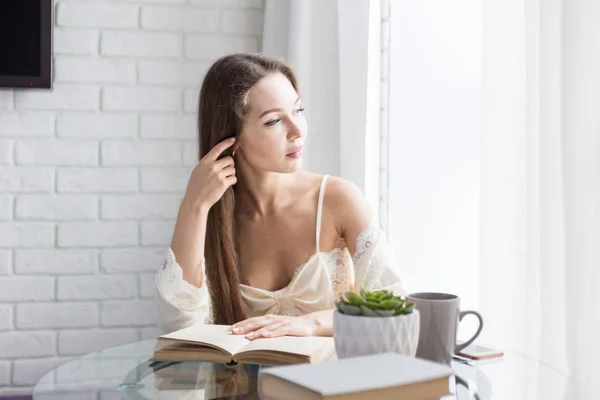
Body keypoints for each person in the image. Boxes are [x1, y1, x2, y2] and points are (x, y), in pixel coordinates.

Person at [153, 53, 407, 341]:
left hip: (333, 382)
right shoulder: (212, 218)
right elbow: (180, 326)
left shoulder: (338, 199)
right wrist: (194, 206)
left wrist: (310, 325)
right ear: (230, 138)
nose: (297, 130)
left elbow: (395, 308)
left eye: (298, 110)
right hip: (246, 386)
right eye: (274, 121)